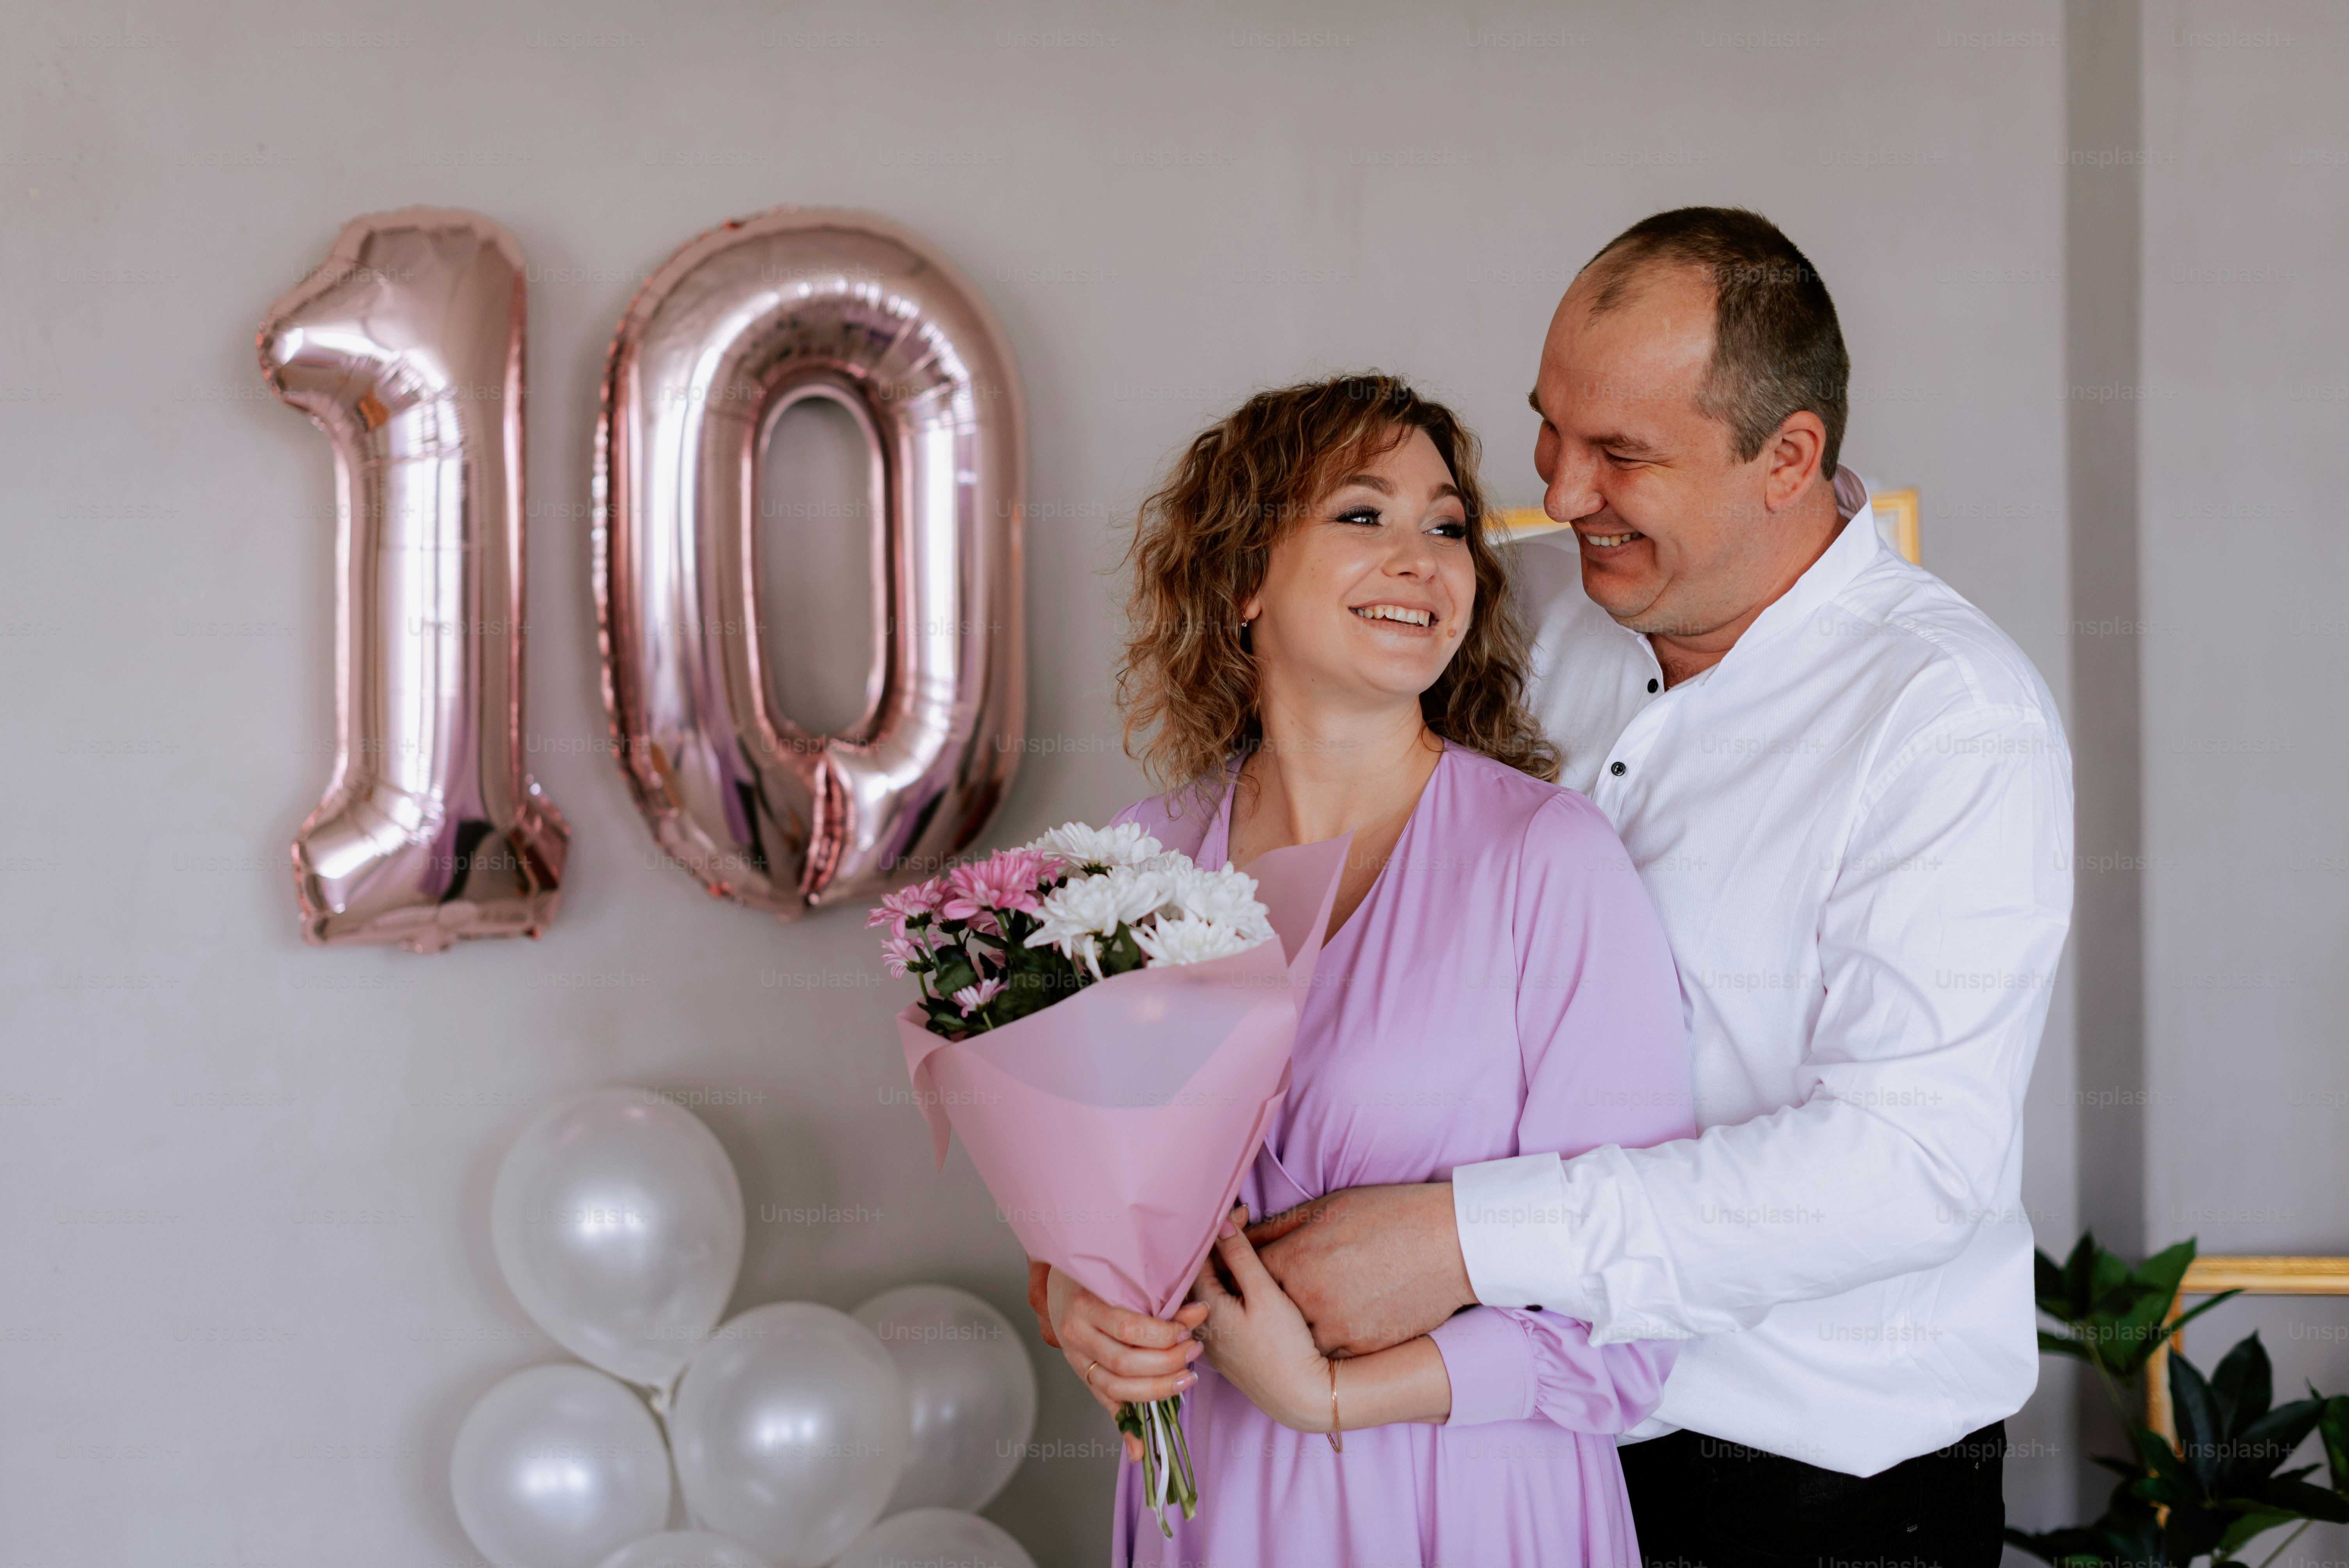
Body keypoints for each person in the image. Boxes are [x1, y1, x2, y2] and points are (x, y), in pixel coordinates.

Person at [1237, 208, 2075, 1566]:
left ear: (1788, 458)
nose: (1561, 494)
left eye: (1623, 454)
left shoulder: (1951, 718)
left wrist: (1462, 1242)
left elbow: (1907, 1168)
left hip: (1806, 1494)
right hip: (1485, 1453)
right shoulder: (1516, 625)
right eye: (1550, 431)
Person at [1034, 374, 1696, 1565]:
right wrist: (1076, 1312)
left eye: (1447, 527)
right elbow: (1081, 1219)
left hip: (1468, 1510)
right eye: (1362, 514)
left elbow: (1635, 1328)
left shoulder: (1546, 859)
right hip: (1214, 1507)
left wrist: (1336, 1395)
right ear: (1242, 577)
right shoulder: (1132, 861)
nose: (1424, 559)